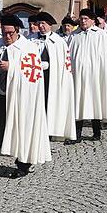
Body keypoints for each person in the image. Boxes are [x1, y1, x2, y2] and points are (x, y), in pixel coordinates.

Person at [0, 14, 51, 178]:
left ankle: (23, 164)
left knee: (23, 128)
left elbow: (33, 75)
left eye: (10, 34)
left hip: (21, 98)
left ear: (17, 31)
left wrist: (12, 67)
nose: (7, 37)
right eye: (4, 33)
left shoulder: (28, 48)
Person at [65, 8, 107, 143]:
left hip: (94, 75)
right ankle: (77, 134)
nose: (83, 21)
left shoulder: (100, 34)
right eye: (81, 18)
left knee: (95, 102)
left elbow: (104, 57)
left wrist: (101, 73)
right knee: (78, 103)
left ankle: (96, 132)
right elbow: (69, 55)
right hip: (77, 76)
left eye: (86, 18)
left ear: (93, 21)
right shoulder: (74, 35)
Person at [34, 12, 76, 141]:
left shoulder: (58, 42)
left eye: (43, 24)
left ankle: (50, 130)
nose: (41, 26)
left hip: (51, 78)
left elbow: (62, 62)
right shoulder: (31, 39)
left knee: (49, 101)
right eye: (39, 23)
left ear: (50, 25)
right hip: (35, 77)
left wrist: (49, 66)